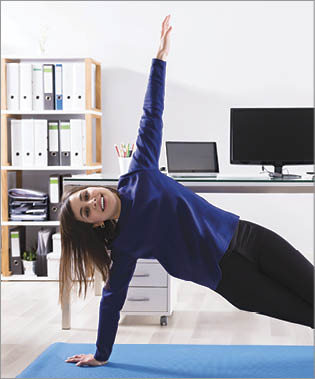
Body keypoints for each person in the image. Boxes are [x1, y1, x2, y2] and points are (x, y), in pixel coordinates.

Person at [61, 15, 314, 368]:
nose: (92, 202)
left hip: (247, 235)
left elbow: (151, 114)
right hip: (230, 277)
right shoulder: (125, 243)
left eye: (85, 196)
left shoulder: (139, 173)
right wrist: (101, 354)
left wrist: (160, 58)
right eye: (86, 211)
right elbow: (112, 298)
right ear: (95, 224)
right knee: (307, 312)